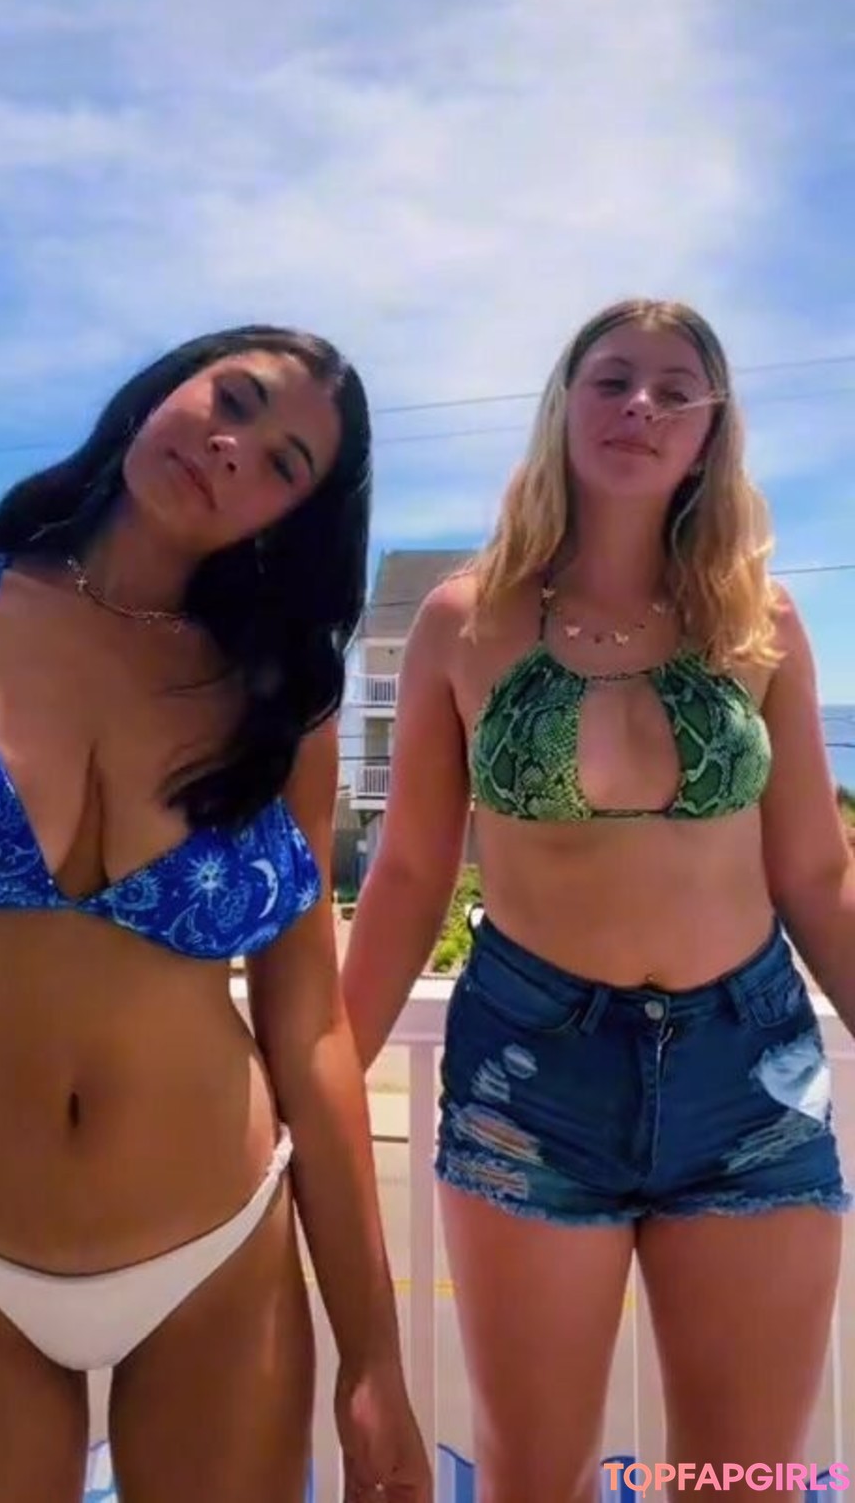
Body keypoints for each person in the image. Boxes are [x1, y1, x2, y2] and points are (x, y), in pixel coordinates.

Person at [0, 324, 431, 1503]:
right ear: (165, 389)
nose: (233, 449)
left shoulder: (279, 698)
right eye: (233, 399)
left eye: (283, 464)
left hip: (219, 1253)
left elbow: (311, 1032)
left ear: (291, 517)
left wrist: (372, 1354)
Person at [341, 298, 855, 1503]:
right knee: (535, 1479)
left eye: (677, 390)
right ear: (563, 406)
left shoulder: (760, 621)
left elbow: (815, 872)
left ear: (712, 429)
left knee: (743, 1484)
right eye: (613, 379)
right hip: (533, 1074)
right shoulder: (464, 620)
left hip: (749, 1071)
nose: (641, 407)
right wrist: (315, 1087)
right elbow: (409, 873)